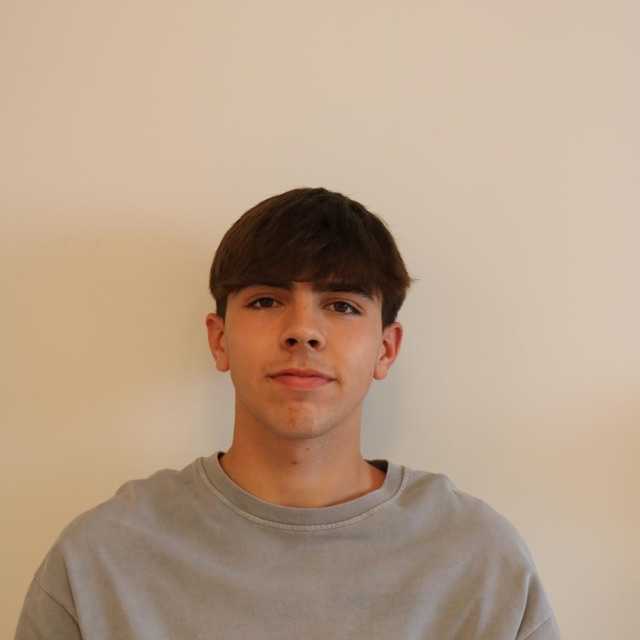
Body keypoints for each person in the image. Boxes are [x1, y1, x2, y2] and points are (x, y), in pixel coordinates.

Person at [15, 187, 561, 639]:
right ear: (220, 339)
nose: (302, 330)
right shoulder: (101, 559)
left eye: (342, 305)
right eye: (266, 301)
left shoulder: (479, 562)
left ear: (386, 349)